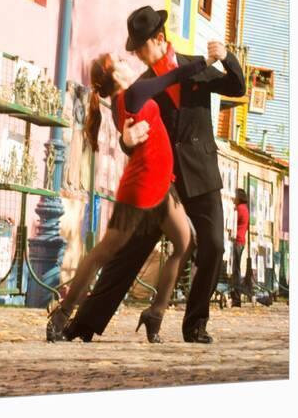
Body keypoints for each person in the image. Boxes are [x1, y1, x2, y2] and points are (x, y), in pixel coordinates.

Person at [64, 5, 246, 344]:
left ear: (159, 38)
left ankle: (194, 325)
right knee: (130, 252)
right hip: (164, 181)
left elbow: (237, 88)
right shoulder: (145, 84)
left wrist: (226, 56)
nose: (138, 56)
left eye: (141, 47)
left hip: (202, 174)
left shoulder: (196, 66)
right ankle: (83, 324)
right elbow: (130, 129)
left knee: (214, 246)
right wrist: (125, 141)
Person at [46, 49, 217, 343]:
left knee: (184, 244)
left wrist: (128, 138)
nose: (128, 63)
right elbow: (174, 76)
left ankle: (155, 314)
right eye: (122, 61)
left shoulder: (118, 103)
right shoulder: (134, 93)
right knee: (104, 252)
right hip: (143, 188)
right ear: (115, 75)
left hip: (160, 185)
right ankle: (62, 314)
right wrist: (207, 62)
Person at [231, 188, 249, 307]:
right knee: (236, 268)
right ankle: (236, 296)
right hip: (241, 240)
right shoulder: (245, 209)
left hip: (237, 240)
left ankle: (236, 297)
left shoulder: (240, 209)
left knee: (235, 269)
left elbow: (233, 222)